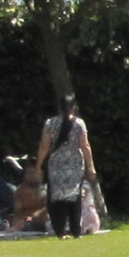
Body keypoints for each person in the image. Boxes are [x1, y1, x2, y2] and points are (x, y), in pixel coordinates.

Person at [35, 94, 98, 240]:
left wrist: (38, 165)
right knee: (74, 197)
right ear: (74, 107)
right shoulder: (79, 124)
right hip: (75, 164)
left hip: (56, 164)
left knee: (57, 199)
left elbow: (44, 146)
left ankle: (60, 231)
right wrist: (91, 166)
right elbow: (85, 146)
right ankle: (76, 231)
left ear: (59, 107)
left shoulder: (50, 123)